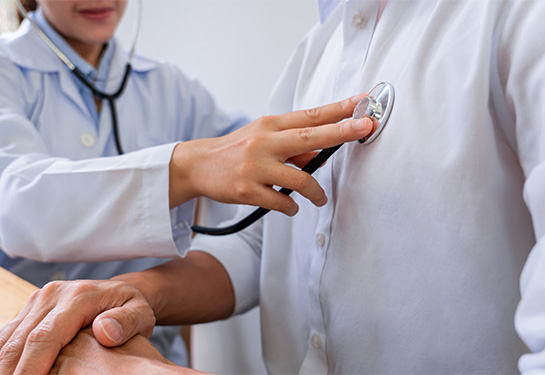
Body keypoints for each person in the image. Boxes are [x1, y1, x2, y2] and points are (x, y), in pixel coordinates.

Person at [3, 0, 545, 373]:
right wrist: (146, 290)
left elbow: (258, 196)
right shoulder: (318, 50)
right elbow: (278, 237)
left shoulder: (510, 18)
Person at [0, 0, 374, 368]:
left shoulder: (169, 86)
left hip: (146, 347)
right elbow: (14, 204)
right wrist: (186, 168)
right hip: (27, 339)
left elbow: (247, 152)